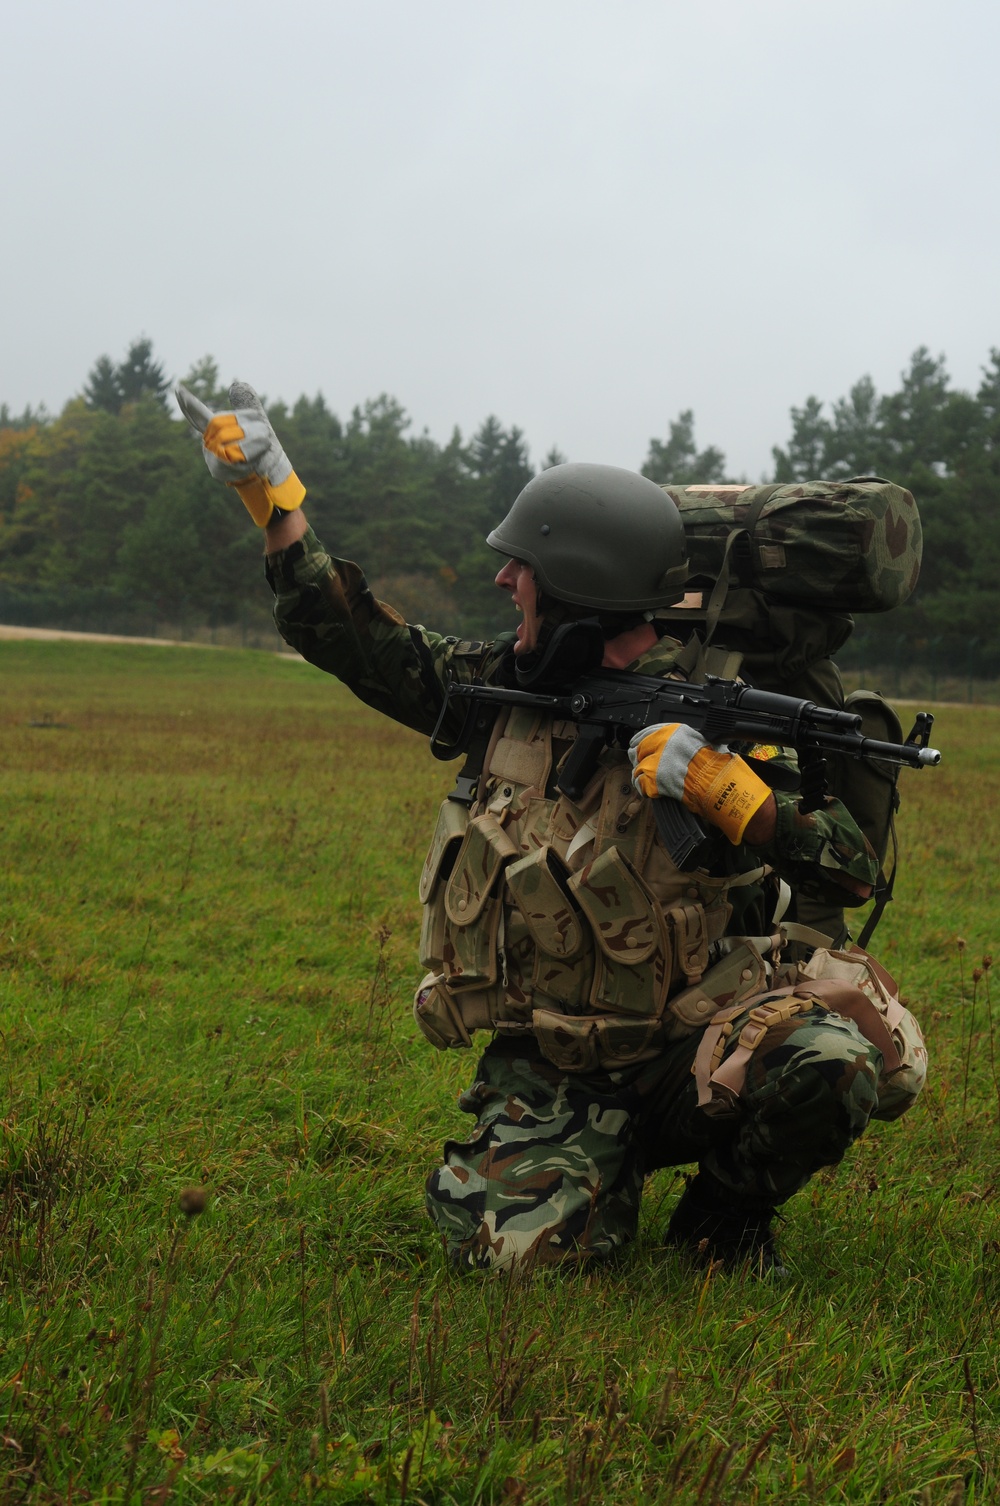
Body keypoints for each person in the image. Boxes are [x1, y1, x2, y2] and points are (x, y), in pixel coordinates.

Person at [177, 380, 897, 1277]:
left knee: (834, 1064)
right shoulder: (505, 687)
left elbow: (852, 872)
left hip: (697, 1040)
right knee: (515, 1265)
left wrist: (739, 798)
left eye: (522, 568)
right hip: (556, 1060)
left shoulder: (723, 712)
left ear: (579, 589)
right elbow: (361, 641)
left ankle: (724, 1218)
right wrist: (274, 500)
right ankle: (593, 1168)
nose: (502, 579)